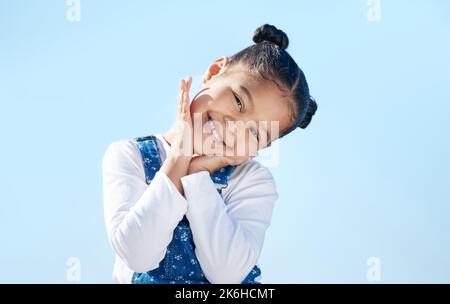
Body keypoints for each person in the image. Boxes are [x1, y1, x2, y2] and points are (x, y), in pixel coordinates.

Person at [102, 24, 317, 284]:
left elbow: (226, 275)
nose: (234, 128)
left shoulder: (252, 180)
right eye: (238, 101)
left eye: (255, 132)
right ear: (215, 71)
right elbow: (137, 255)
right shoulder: (130, 155)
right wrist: (179, 157)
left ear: (260, 148)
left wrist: (197, 176)